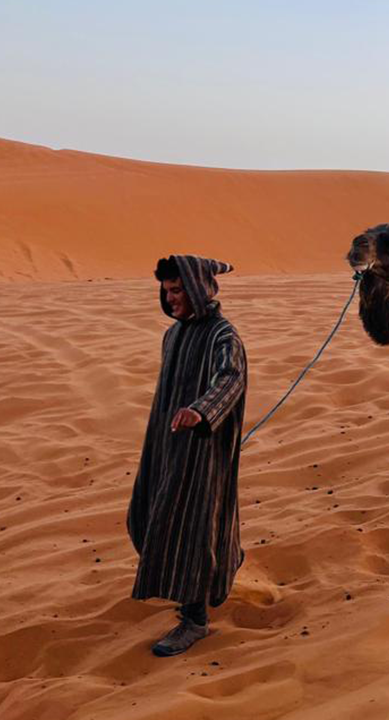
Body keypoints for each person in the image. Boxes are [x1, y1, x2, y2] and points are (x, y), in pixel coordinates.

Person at [127, 254, 247, 657]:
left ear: (198, 289)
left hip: (203, 452)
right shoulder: (173, 335)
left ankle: (194, 619)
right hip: (164, 445)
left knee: (191, 529)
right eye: (167, 291)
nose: (171, 298)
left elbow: (230, 380)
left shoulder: (223, 336)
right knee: (144, 515)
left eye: (178, 290)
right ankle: (223, 564)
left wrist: (201, 411)